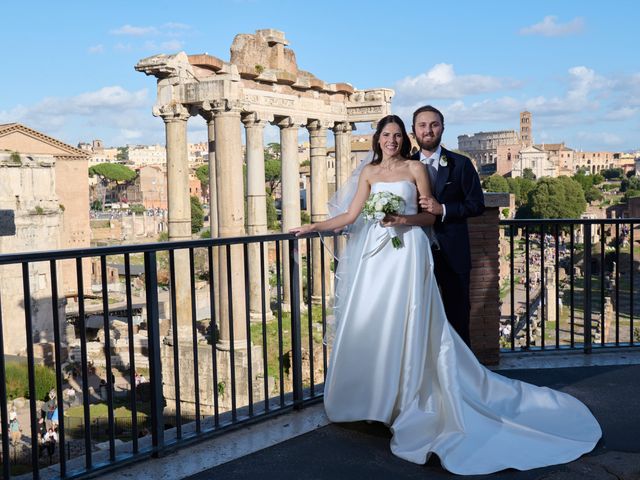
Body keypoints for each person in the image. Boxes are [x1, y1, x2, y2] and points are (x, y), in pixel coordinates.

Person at [290, 114, 601, 475]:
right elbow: (349, 215)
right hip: (376, 257)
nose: (390, 140)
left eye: (396, 135)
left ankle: (407, 399)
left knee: (410, 320)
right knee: (374, 321)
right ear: (376, 139)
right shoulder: (369, 174)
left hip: (407, 252)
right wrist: (313, 225)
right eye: (385, 135)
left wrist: (403, 220)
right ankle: (376, 401)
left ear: (403, 138)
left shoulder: (415, 169)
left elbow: (430, 216)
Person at [412, 105, 485, 346]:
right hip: (414, 254)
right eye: (422, 125)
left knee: (458, 316)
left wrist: (442, 209)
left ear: (442, 128)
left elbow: (476, 205)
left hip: (454, 253)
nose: (428, 130)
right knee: (417, 316)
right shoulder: (404, 166)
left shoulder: (461, 164)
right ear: (414, 131)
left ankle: (463, 376)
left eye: (434, 125)